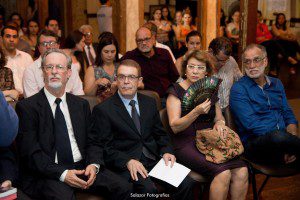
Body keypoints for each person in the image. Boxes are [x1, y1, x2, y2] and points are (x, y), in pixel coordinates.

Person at [16, 48, 132, 200]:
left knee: (124, 187)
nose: (54, 71)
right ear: (43, 72)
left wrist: (94, 165)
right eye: (49, 67)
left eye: (60, 67)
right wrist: (63, 174)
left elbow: (94, 141)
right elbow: (31, 153)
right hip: (48, 172)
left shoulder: (81, 105)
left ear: (69, 73)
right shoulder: (27, 107)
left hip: (82, 166)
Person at [91, 59, 195, 199]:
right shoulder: (103, 110)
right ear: (116, 79)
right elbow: (105, 148)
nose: (126, 81)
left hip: (154, 160)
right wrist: (127, 161)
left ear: (139, 80)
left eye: (131, 77)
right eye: (121, 77)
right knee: (148, 191)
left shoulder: (149, 102)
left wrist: (166, 151)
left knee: (187, 183)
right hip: (129, 164)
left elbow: (160, 134)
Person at [166, 50, 248, 200]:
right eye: (191, 67)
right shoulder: (175, 91)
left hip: (209, 140)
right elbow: (174, 126)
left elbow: (218, 116)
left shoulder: (210, 89)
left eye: (200, 67)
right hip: (185, 143)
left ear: (206, 72)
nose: (195, 71)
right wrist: (196, 112)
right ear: (185, 69)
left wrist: (220, 124)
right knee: (223, 173)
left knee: (242, 170)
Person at [230, 44, 300, 166]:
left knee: (281, 137)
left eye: (256, 60)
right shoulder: (239, 89)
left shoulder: (276, 83)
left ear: (265, 61)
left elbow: (287, 113)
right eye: (247, 62)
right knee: (277, 136)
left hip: (283, 140)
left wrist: (291, 142)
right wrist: (285, 142)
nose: (252, 66)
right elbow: (251, 125)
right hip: (255, 144)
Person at [122, 27, 179, 104]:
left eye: (147, 39)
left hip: (168, 98)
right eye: (140, 40)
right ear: (136, 42)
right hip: (145, 100)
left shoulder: (164, 53)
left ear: (153, 39)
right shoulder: (130, 57)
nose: (144, 43)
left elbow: (175, 77)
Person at [23, 29, 84, 98]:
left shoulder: (70, 66)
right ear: (39, 48)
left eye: (52, 43)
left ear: (58, 46)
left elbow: (79, 93)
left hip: (69, 106)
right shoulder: (30, 70)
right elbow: (31, 101)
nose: (48, 47)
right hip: (42, 108)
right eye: (44, 44)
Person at [208, 37, 242, 112]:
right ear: (210, 52)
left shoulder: (231, 61)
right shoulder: (199, 64)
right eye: (219, 60)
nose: (223, 64)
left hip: (227, 112)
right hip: (208, 114)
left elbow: (241, 81)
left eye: (226, 60)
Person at [84, 32, 120, 101]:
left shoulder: (120, 67)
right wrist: (96, 83)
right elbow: (87, 95)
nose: (110, 55)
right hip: (99, 106)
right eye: (106, 52)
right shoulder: (92, 69)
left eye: (113, 51)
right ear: (100, 51)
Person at [2, 25, 33, 95]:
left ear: (18, 39)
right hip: (6, 101)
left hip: (27, 99)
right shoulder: (1, 59)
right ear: (1, 38)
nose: (11, 40)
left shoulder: (27, 57)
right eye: (8, 36)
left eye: (14, 37)